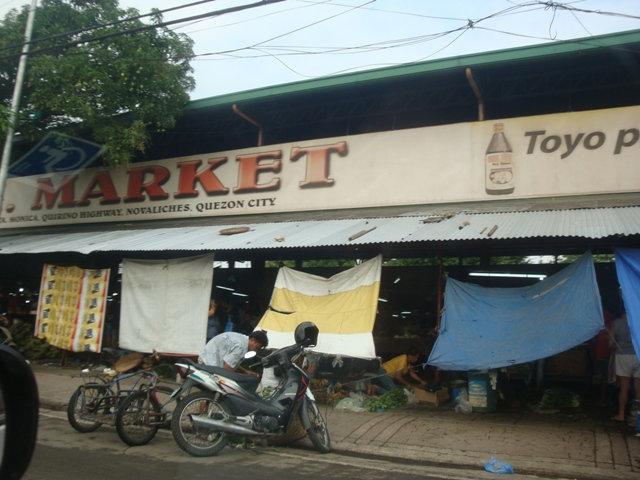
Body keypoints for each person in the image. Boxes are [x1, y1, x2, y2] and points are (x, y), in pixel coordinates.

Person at [611, 308, 640, 422]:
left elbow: (611, 343)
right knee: (638, 388)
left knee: (624, 387)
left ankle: (621, 415)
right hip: (638, 355)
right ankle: (638, 418)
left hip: (623, 356)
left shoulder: (616, 323)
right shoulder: (637, 321)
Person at [199, 330, 268, 376]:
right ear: (253, 340)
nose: (256, 351)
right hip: (209, 364)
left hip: (205, 358)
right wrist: (240, 377)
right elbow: (227, 368)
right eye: (257, 348)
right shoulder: (241, 347)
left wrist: (244, 371)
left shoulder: (242, 339)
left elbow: (231, 363)